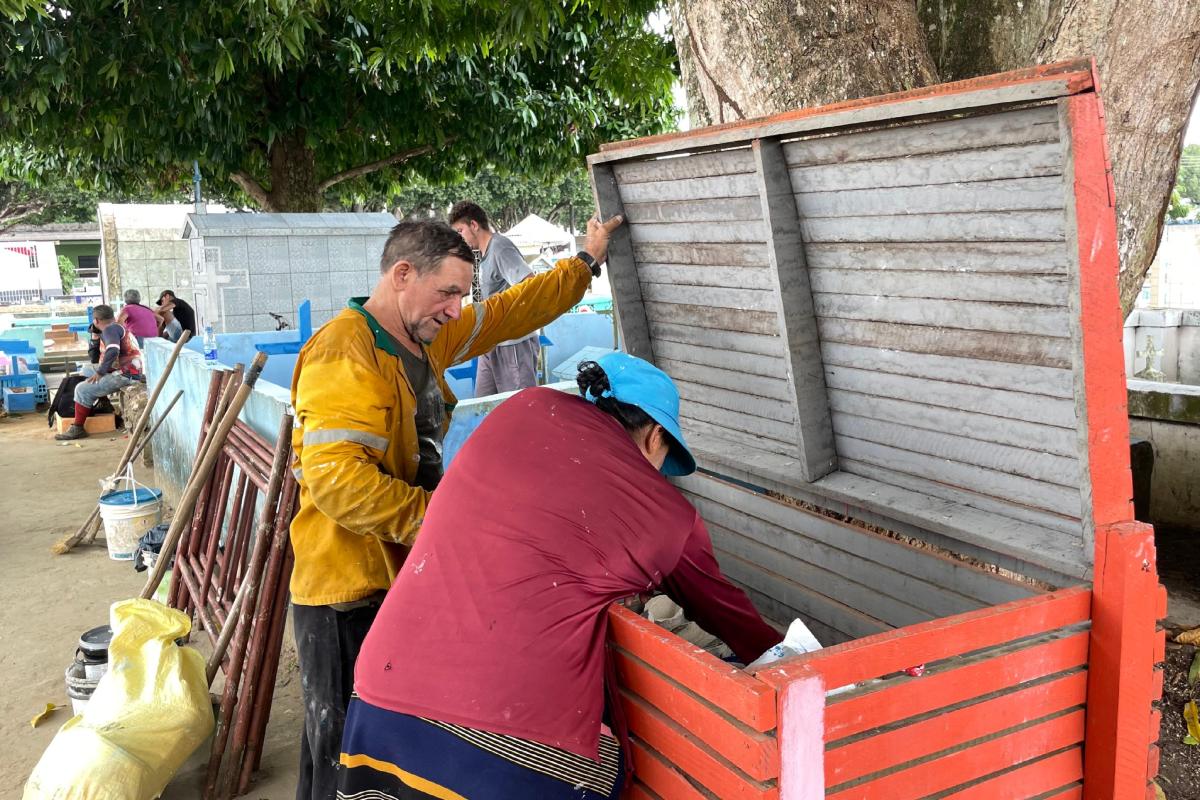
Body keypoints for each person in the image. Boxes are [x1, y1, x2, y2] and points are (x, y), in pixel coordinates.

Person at [337, 353, 782, 799]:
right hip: (506, 739)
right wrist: (789, 662)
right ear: (655, 435)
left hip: (380, 698)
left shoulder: (520, 410)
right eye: (665, 459)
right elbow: (732, 619)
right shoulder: (667, 514)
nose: (661, 475)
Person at [288, 216, 619, 800]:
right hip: (345, 587)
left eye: (464, 293)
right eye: (448, 292)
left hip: (398, 572)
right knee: (337, 747)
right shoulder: (345, 351)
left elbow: (512, 311)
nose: (455, 307)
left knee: (383, 750)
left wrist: (585, 263)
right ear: (402, 275)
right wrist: (449, 524)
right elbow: (338, 483)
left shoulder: (425, 335)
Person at [449, 201, 541, 395]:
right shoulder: (482, 254)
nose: (459, 238)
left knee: (519, 405)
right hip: (490, 341)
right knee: (482, 404)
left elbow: (530, 284)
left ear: (474, 225)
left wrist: (505, 318)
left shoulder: (500, 247)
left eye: (460, 231)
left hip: (513, 343)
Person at [56, 304, 142, 440]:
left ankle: (78, 428)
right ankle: (104, 402)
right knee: (86, 369)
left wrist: (101, 372)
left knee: (81, 389)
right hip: (127, 369)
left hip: (125, 375)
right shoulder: (115, 328)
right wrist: (95, 337)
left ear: (96, 321)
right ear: (112, 317)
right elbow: (95, 358)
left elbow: (113, 350)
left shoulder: (110, 330)